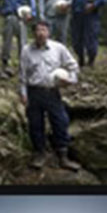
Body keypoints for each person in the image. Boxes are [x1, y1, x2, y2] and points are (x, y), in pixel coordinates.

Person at [19, 20, 80, 172]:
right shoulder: (26, 50)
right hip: (34, 92)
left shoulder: (58, 48)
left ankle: (63, 156)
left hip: (52, 92)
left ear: (49, 32)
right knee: (35, 124)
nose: (41, 33)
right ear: (33, 33)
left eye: (44, 30)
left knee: (60, 121)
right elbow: (22, 75)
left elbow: (73, 66)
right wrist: (23, 94)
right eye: (38, 30)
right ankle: (39, 153)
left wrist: (70, 81)